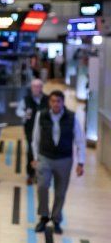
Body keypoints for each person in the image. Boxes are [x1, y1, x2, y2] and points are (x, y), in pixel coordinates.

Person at [31, 90, 85, 234]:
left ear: (63, 102)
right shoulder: (41, 115)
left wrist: (81, 163)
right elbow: (35, 139)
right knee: (42, 186)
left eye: (58, 101)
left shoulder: (72, 117)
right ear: (49, 102)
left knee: (60, 192)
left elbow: (80, 140)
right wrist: (35, 158)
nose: (56, 104)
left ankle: (56, 219)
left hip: (64, 160)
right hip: (45, 157)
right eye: (53, 101)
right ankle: (43, 217)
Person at [15, 79, 48, 185]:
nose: (36, 89)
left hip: (44, 130)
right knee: (31, 151)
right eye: (34, 86)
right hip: (30, 129)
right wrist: (25, 114)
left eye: (38, 86)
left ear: (41, 88)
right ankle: (30, 174)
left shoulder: (47, 99)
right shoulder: (26, 99)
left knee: (43, 152)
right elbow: (18, 111)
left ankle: (41, 174)